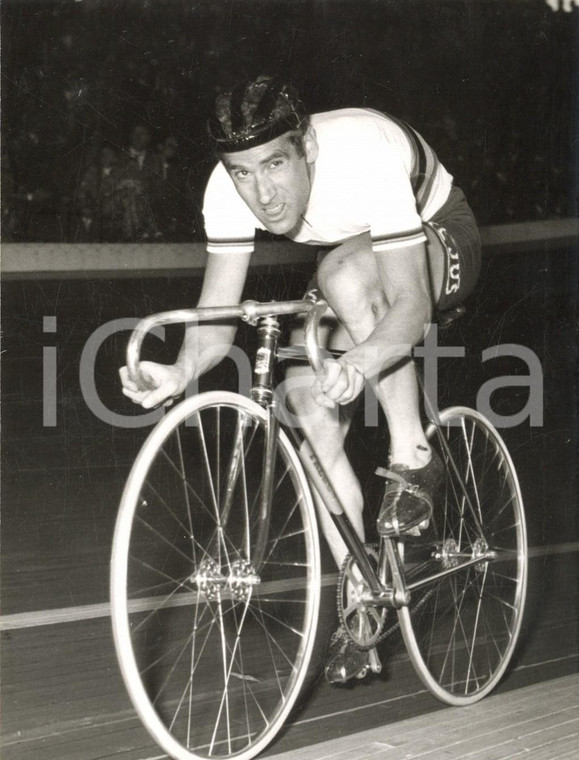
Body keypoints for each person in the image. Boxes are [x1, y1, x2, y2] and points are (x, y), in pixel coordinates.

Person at [120, 75, 481, 683]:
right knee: (305, 402)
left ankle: (414, 454)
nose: (262, 193)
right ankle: (363, 596)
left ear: (307, 147)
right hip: (353, 260)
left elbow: (410, 306)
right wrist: (179, 370)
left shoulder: (363, 154)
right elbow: (216, 324)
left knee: (341, 274)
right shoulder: (226, 191)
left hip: (438, 232)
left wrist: (361, 362)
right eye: (242, 172)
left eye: (275, 165)